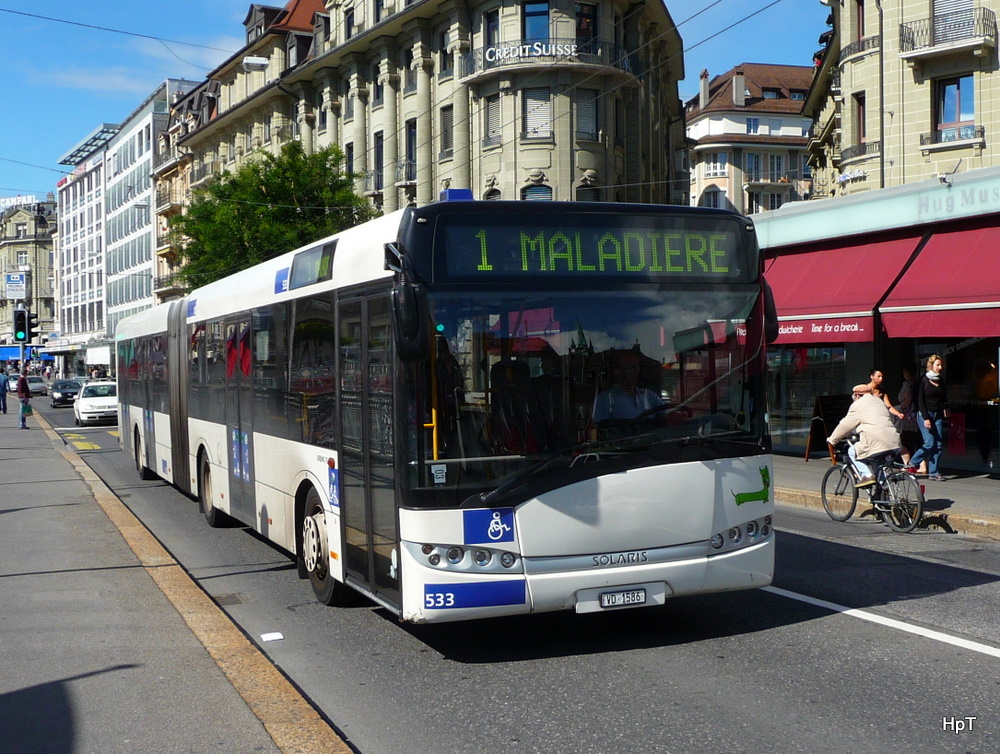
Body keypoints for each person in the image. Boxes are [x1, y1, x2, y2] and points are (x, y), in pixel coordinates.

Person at [826, 383, 902, 487]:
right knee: (878, 465)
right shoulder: (879, 401)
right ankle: (883, 493)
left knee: (852, 451)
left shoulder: (858, 405)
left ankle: (867, 475)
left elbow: (845, 425)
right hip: (894, 441)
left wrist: (833, 439)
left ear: (857, 395)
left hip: (875, 440)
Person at [909, 353, 949, 482]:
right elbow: (919, 400)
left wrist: (946, 408)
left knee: (938, 444)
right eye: (938, 365)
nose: (940, 368)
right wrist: (926, 418)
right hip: (925, 414)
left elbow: (943, 397)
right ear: (931, 366)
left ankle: (934, 472)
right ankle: (913, 462)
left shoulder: (940, 380)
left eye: (941, 365)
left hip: (938, 415)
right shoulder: (923, 380)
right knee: (929, 443)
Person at [592, 349, 663, 422]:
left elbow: (667, 412)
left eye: (637, 366)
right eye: (629, 366)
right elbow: (599, 427)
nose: (635, 370)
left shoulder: (649, 395)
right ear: (616, 370)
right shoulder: (604, 399)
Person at [894, 366, 922, 471]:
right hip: (916, 415)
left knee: (905, 440)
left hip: (907, 416)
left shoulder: (907, 384)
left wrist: (900, 408)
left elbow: (908, 399)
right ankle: (922, 465)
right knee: (917, 440)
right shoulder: (919, 383)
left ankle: (908, 464)